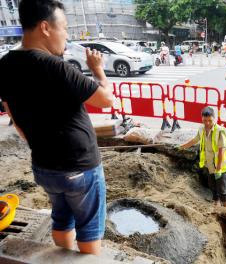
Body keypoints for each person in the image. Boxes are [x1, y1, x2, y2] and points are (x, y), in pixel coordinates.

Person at [0, 0, 113, 255]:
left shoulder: (5, 64)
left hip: (44, 167)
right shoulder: (55, 67)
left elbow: (14, 118)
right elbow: (106, 99)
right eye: (64, 27)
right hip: (80, 166)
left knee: (61, 219)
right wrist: (98, 70)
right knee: (89, 230)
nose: (67, 35)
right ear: (45, 27)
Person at [179, 107, 226, 207]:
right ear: (202, 118)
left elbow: (221, 151)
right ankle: (216, 202)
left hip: (220, 165)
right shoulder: (201, 129)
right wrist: (182, 146)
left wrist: (219, 168)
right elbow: (195, 140)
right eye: (205, 120)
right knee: (212, 185)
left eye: (210, 120)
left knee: (221, 187)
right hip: (209, 164)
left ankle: (225, 207)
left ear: (214, 118)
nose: (207, 123)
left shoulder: (220, 131)